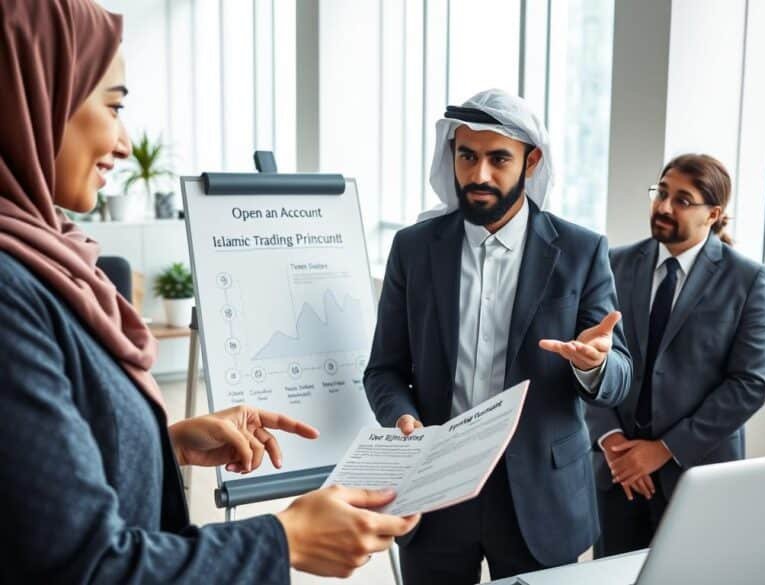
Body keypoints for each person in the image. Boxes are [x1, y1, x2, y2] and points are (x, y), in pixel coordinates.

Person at [0, 1, 417, 581]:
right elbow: (84, 567)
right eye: (113, 106)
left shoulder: (44, 256)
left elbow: (34, 490)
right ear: (33, 97)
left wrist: (163, 447)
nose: (123, 143)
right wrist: (282, 540)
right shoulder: (9, 293)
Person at [364, 88, 632, 584]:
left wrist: (592, 364)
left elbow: (618, 376)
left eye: (498, 158)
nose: (479, 175)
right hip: (437, 489)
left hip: (540, 496)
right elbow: (383, 370)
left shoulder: (580, 250)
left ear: (531, 162)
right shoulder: (414, 249)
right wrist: (404, 418)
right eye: (467, 156)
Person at [586, 153, 765, 557]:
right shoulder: (612, 263)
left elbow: (750, 383)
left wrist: (662, 450)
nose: (664, 207)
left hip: (697, 474)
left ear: (713, 214)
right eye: (662, 192)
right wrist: (613, 442)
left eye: (683, 200)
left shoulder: (747, 280)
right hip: (616, 473)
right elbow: (588, 357)